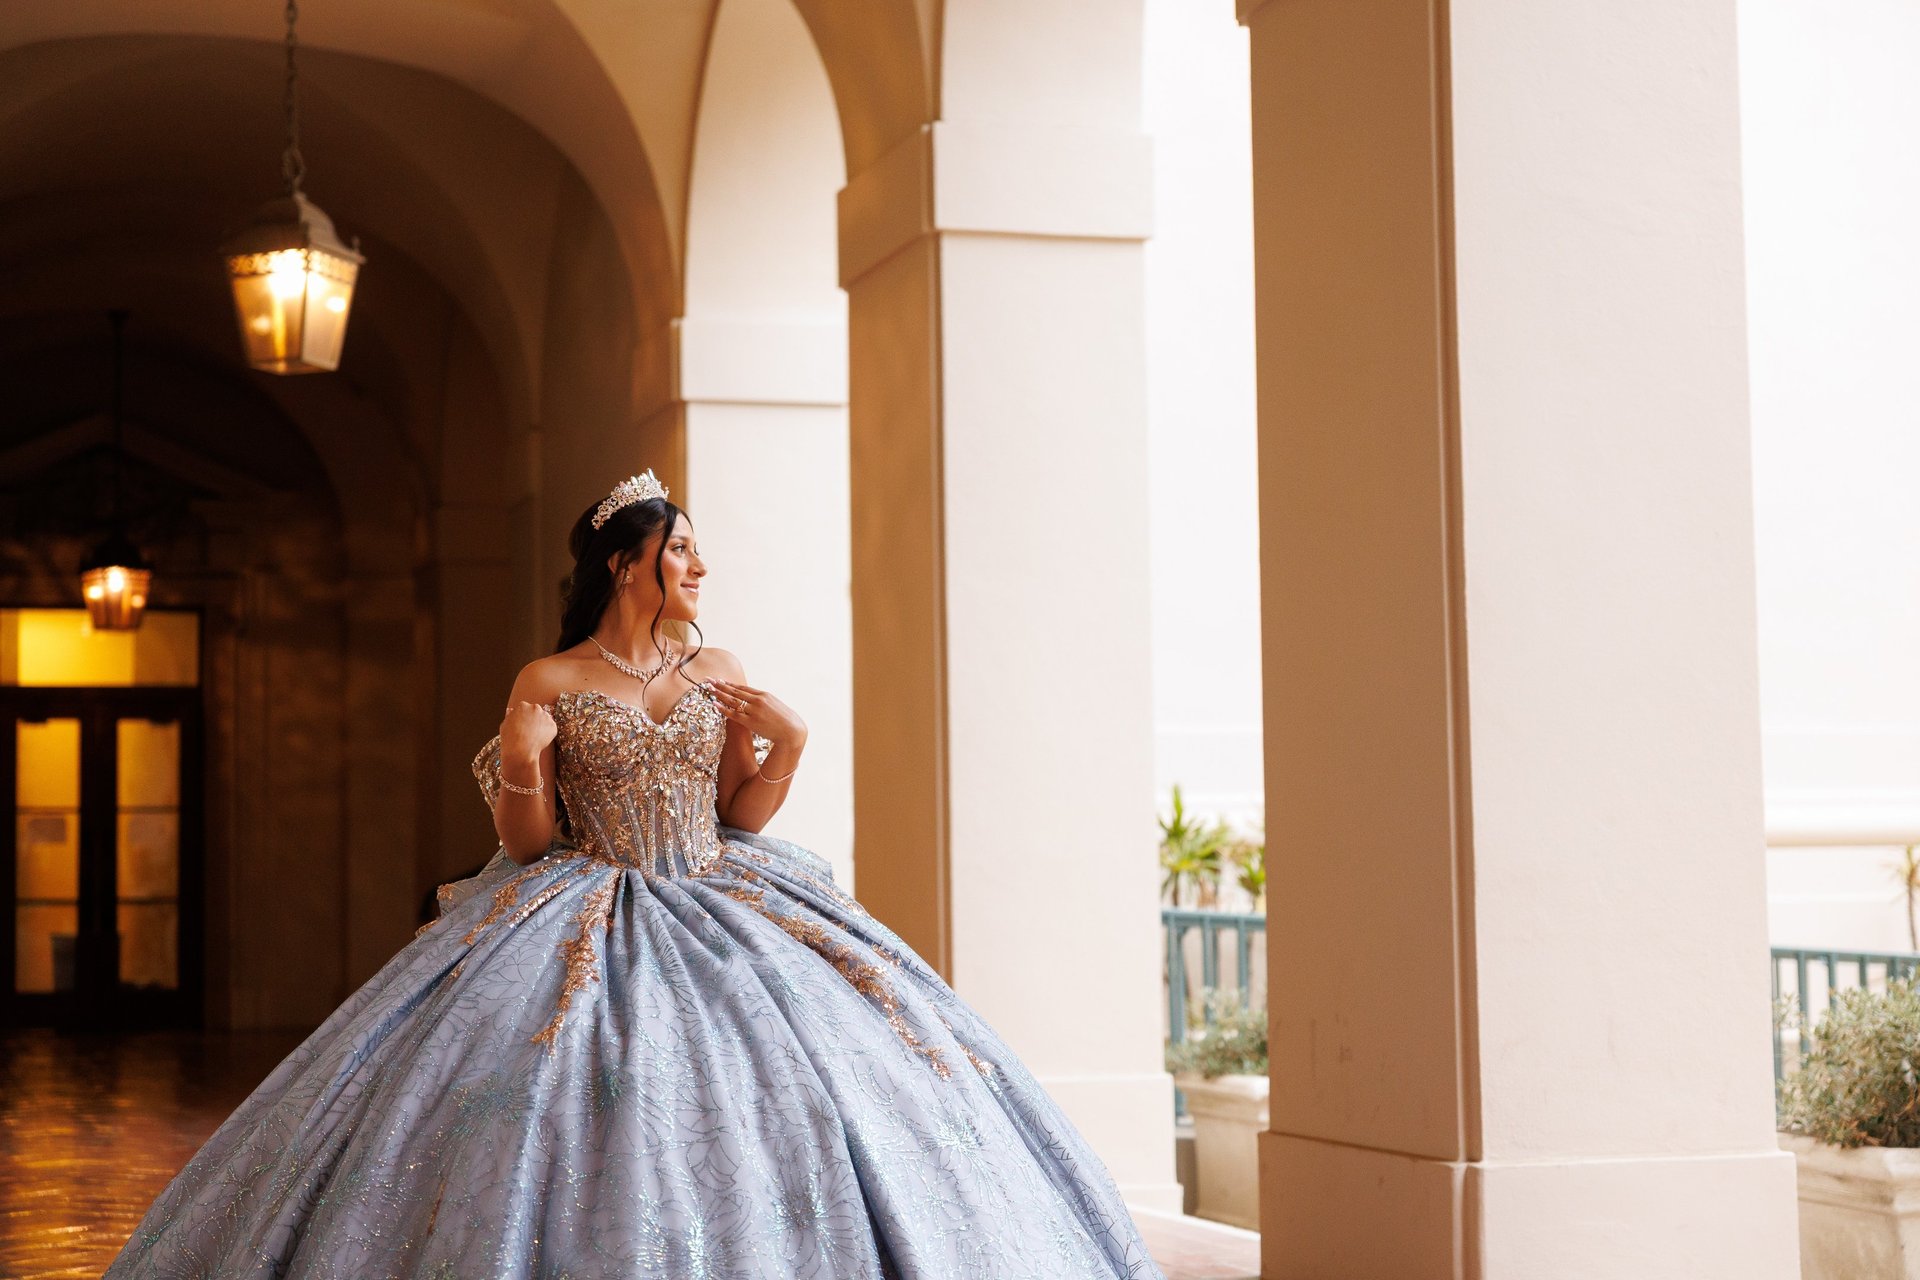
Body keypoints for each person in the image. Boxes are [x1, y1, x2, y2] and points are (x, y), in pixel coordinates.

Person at [105, 470, 1167, 1280]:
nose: (700, 568)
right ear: (627, 562)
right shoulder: (552, 677)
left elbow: (737, 812)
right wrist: (521, 763)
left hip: (723, 892)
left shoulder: (721, 669)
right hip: (582, 897)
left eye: (699, 552)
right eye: (683, 549)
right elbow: (527, 845)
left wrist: (788, 746)